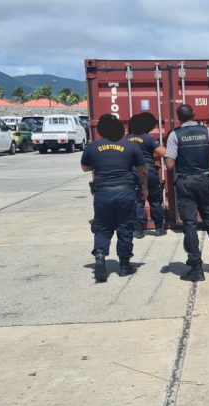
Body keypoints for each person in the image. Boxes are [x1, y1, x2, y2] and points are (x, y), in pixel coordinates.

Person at [164, 104, 209, 281]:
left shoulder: (174, 135)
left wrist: (169, 155)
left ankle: (196, 269)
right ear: (194, 115)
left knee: (189, 225)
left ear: (179, 118)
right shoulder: (208, 132)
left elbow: (170, 165)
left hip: (185, 182)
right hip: (205, 181)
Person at [81, 114, 147, 283]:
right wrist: (145, 188)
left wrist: (101, 163)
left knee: (102, 226)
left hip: (102, 193)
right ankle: (124, 265)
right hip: (125, 192)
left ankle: (101, 255)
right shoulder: (130, 146)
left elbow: (85, 167)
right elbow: (143, 170)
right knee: (125, 227)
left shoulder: (92, 146)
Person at [126, 112, 166, 239]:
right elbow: (163, 153)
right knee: (154, 199)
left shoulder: (125, 139)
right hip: (149, 172)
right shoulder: (148, 138)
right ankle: (159, 228)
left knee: (137, 200)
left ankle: (138, 230)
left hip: (132, 173)